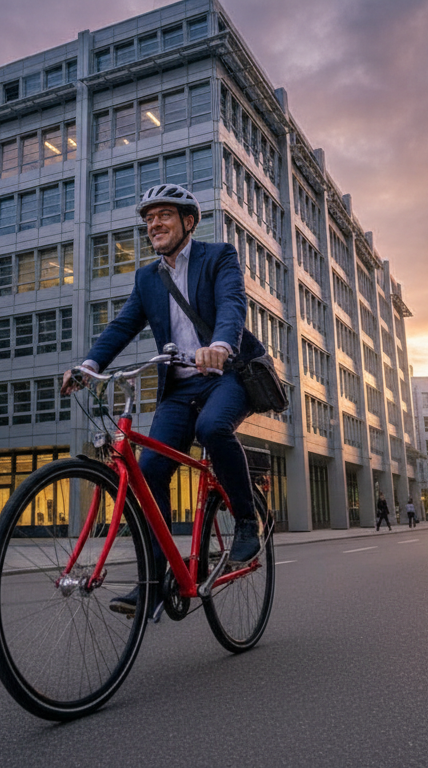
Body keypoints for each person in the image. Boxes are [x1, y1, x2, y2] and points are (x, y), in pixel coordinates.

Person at [62, 183, 266, 616]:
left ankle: (247, 520)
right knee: (150, 471)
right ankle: (155, 580)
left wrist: (222, 345)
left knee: (213, 428)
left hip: (226, 374)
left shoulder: (219, 257)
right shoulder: (147, 278)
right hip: (179, 387)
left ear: (188, 222)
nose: (154, 224)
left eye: (164, 216)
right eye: (149, 218)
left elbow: (232, 305)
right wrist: (89, 365)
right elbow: (122, 326)